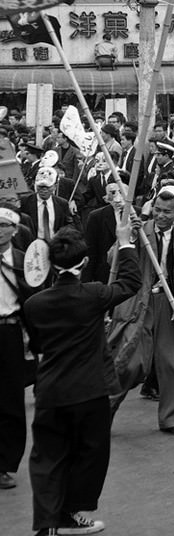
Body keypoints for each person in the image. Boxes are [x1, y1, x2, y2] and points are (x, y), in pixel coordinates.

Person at [23, 223, 141, 536]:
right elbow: (131, 282)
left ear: (50, 262)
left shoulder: (34, 305)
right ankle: (70, 512)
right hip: (91, 392)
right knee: (90, 456)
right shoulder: (95, 294)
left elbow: (37, 346)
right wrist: (125, 243)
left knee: (48, 458)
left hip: (50, 392)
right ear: (85, 262)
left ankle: (50, 524)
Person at [108, 189, 174, 436]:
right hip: (139, 303)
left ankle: (171, 417)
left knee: (170, 362)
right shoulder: (139, 231)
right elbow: (112, 260)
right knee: (129, 363)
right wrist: (130, 239)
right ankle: (104, 410)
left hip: (168, 305)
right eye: (157, 209)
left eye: (167, 211)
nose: (160, 215)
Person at [0, 206, 32, 492]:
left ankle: (7, 464)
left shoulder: (23, 262)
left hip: (11, 332)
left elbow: (34, 300)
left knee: (11, 399)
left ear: (14, 229)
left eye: (2, 225)